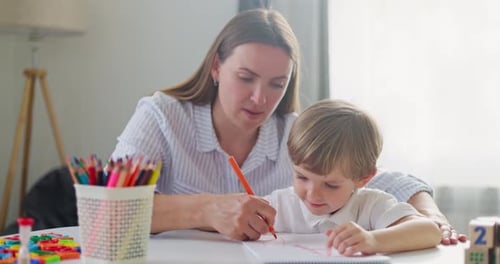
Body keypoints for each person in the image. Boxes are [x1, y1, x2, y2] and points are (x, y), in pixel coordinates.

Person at [110, 8, 464, 244]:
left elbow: (389, 181)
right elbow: (111, 208)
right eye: (246, 78)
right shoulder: (162, 115)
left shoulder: (295, 133)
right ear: (217, 68)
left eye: (277, 84)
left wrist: (433, 219)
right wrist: (206, 209)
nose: (260, 98)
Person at [265, 99, 441, 255]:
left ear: (363, 177)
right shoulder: (279, 205)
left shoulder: (371, 205)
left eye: (331, 185)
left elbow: (430, 231)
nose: (313, 194)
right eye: (302, 177)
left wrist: (373, 240)